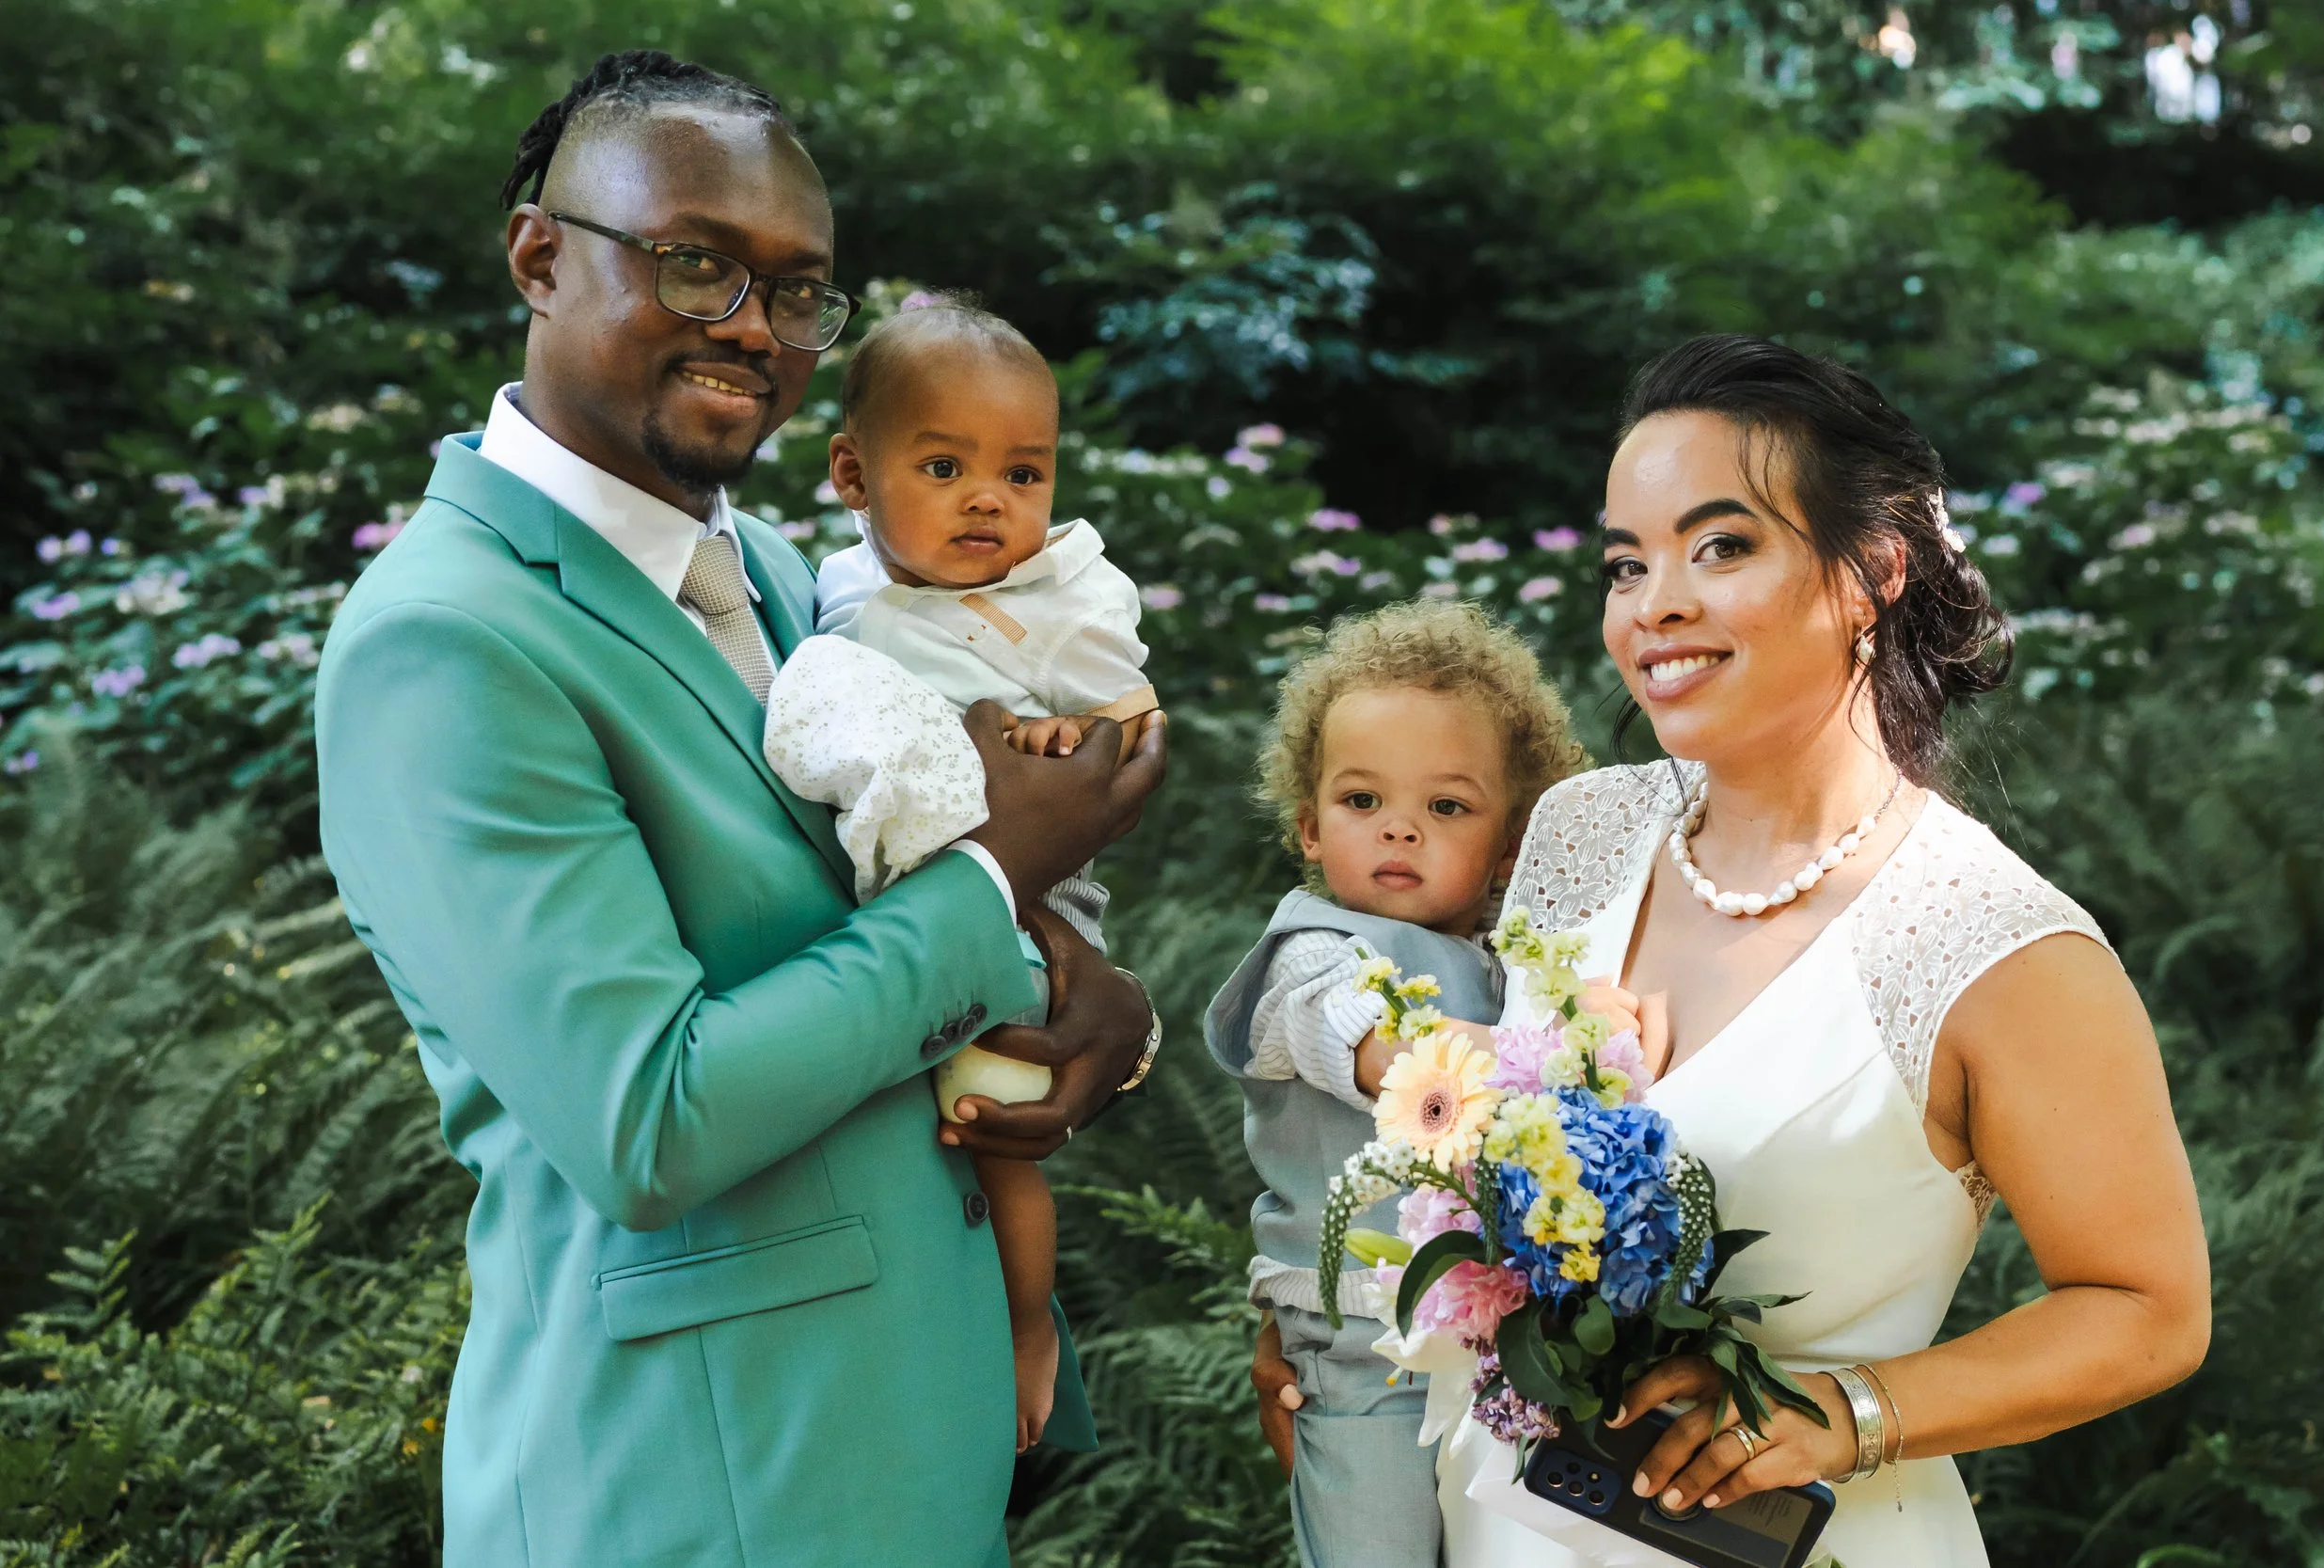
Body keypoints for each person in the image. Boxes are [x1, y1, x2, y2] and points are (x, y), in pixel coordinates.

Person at [312, 50, 1165, 1568]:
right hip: (686, 1491)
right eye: (697, 266)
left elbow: (881, 906)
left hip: (901, 1445)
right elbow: (650, 1115)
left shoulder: (785, 571)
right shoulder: (443, 642)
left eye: (794, 293)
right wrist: (987, 886)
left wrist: (1070, 989)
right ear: (540, 255)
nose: (753, 331)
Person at [1436, 335, 2208, 1566]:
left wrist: (1846, 1412)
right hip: (1504, 1523)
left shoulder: (1995, 944)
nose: (1656, 603)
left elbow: (2148, 1307)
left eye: (1722, 545)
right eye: (1627, 562)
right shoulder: (1583, 833)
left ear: (1870, 573)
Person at [762, 295, 1160, 1450]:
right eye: (943, 465)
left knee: (992, 1122)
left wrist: (1061, 741)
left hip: (1031, 893)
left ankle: (1028, 1323)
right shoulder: (825, 586)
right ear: (853, 472)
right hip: (893, 897)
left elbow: (1131, 737)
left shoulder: (1050, 602)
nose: (990, 499)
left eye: (1023, 474)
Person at [1208, 600, 1606, 1568]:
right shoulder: (1309, 954)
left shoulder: (1510, 962)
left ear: (1509, 846)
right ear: (1307, 825)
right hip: (1358, 1340)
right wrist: (1537, 1061)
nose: (1398, 830)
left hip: (1494, 1336)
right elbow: (1370, 1043)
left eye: (1446, 807)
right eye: (1360, 802)